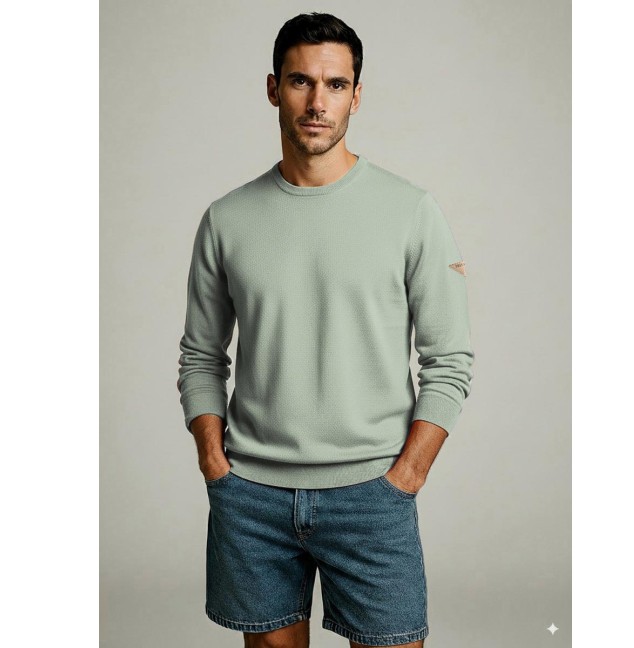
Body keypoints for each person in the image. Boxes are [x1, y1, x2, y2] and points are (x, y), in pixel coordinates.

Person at [177, 12, 475, 648]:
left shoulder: (410, 211)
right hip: (252, 495)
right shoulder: (227, 219)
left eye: (336, 85)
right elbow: (201, 354)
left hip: (373, 492)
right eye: (300, 82)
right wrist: (213, 460)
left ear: (356, 96)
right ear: (273, 89)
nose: (318, 102)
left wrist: (408, 475)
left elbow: (449, 359)